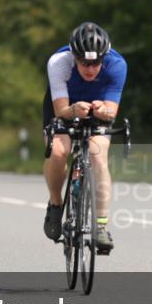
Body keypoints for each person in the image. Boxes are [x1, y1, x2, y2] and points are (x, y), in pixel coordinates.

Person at [42, 22, 127, 253]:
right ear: (74, 57)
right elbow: (60, 111)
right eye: (84, 63)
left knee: (99, 156)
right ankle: (56, 203)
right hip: (66, 106)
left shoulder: (117, 65)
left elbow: (111, 113)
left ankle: (101, 227)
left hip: (96, 108)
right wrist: (73, 110)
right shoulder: (58, 63)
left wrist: (103, 111)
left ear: (104, 57)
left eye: (96, 63)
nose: (90, 69)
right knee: (59, 151)